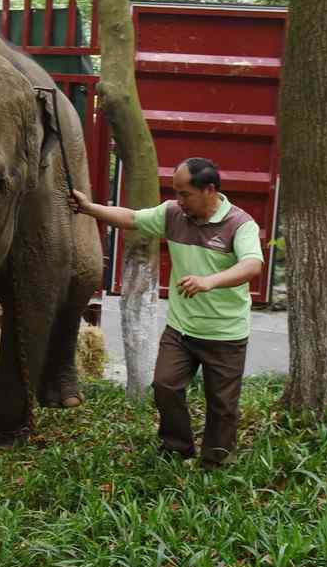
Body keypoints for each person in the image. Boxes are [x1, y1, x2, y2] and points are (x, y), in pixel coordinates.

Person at [70, 157, 264, 468]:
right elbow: (132, 217)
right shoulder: (174, 214)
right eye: (176, 192)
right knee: (165, 385)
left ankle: (215, 462)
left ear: (210, 190)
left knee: (222, 405)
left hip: (224, 333)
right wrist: (89, 208)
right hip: (181, 329)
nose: (178, 200)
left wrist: (209, 281)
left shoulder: (240, 225)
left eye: (185, 193)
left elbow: (252, 265)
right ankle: (177, 448)